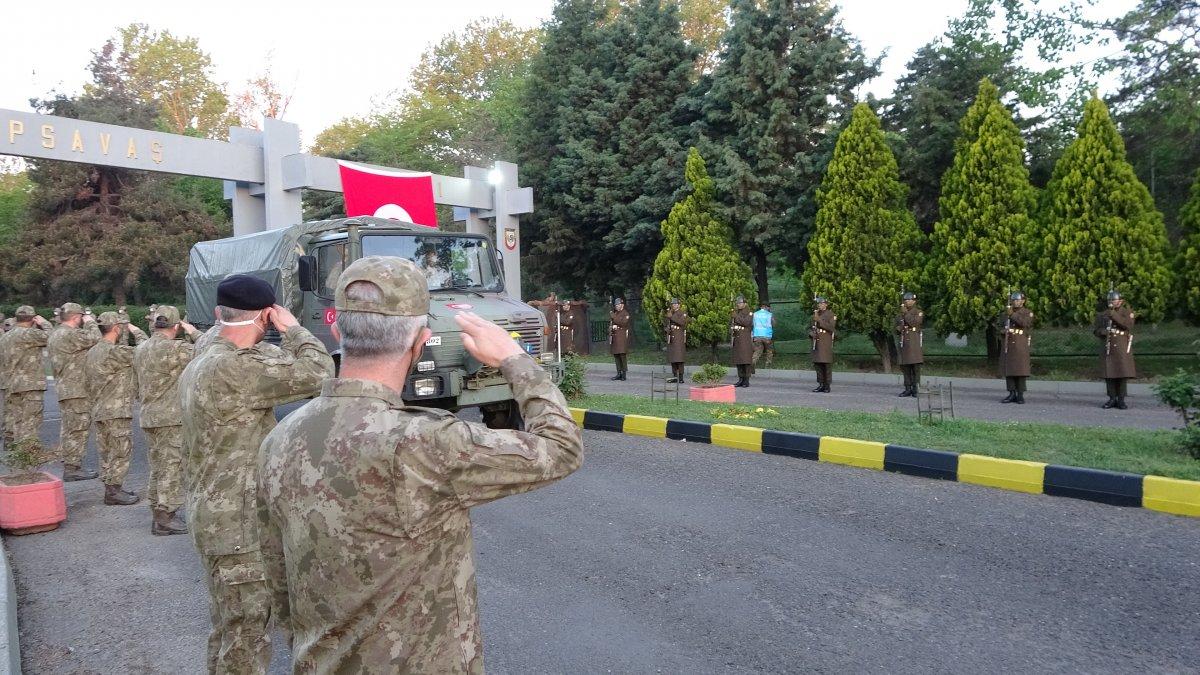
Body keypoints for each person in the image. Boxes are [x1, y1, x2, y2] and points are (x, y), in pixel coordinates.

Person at [258, 256, 583, 673]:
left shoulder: (280, 438)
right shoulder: (425, 441)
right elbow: (561, 448)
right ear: (421, 340)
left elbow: (278, 580)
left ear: (337, 330)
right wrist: (514, 359)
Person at [179, 274, 334, 674]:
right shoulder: (235, 370)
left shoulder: (206, 354)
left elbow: (227, 338)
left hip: (214, 515)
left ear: (217, 314)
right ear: (267, 317)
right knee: (246, 632)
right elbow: (319, 373)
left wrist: (259, 326)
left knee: (229, 626)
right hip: (239, 525)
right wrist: (296, 330)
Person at [134, 305, 199, 536]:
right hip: (170, 418)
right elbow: (209, 350)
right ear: (176, 325)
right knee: (172, 466)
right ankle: (166, 516)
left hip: (148, 415)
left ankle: (157, 511)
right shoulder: (176, 349)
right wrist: (193, 332)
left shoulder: (140, 349)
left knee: (157, 466)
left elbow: (135, 387)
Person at [86, 312, 148, 505]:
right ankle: (114, 490)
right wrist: (136, 331)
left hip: (99, 409)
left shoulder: (92, 351)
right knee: (121, 451)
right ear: (115, 328)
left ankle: (110, 488)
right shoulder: (114, 352)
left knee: (106, 451)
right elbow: (145, 350)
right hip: (116, 410)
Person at [47, 303, 102, 481]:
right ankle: (72, 467)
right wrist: (91, 322)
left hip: (66, 387)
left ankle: (70, 463)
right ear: (75, 317)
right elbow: (95, 338)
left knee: (69, 428)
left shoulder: (56, 333)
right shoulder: (69, 333)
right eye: (80, 316)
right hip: (76, 388)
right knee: (78, 429)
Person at [3, 306, 52, 446]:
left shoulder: (6, 336)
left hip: (12, 384)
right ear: (32, 319)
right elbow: (51, 337)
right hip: (31, 384)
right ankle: (28, 456)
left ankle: (18, 453)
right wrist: (44, 323)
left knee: (17, 421)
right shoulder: (29, 334)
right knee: (31, 423)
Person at [1094, 289, 1136, 409]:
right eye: (1110, 300)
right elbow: (1096, 330)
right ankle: (1112, 398)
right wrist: (1103, 332)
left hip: (1122, 346)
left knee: (1122, 373)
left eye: (1114, 300)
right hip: (1108, 346)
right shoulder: (1103, 314)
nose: (1111, 302)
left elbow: (1127, 325)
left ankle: (1121, 400)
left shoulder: (1126, 312)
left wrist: (1114, 315)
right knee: (1110, 373)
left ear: (1120, 301)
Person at [1000, 291, 1034, 404]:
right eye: (1014, 300)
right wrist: (1003, 331)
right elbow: (999, 325)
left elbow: (1025, 323)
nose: (1015, 302)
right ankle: (1011, 393)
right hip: (1008, 343)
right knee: (1009, 369)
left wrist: (1012, 315)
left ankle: (1020, 394)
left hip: (1020, 344)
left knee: (1020, 370)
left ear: (1023, 301)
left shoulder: (1027, 312)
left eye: (1018, 300)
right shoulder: (1007, 313)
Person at [896, 291, 925, 397]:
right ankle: (907, 388)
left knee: (915, 368)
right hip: (904, 344)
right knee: (905, 368)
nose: (907, 302)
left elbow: (914, 323)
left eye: (909, 300)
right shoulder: (900, 314)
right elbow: (897, 326)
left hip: (914, 344)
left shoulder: (918, 312)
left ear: (914, 301)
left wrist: (905, 313)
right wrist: (898, 328)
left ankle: (916, 389)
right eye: (906, 300)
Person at [809, 296, 836, 393]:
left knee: (826, 363)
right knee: (818, 363)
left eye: (822, 303)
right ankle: (820, 384)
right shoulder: (816, 314)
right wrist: (811, 333)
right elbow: (811, 327)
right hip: (816, 341)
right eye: (819, 303)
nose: (820, 305)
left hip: (825, 341)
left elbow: (831, 328)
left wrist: (819, 320)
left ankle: (827, 385)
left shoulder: (830, 314)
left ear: (826, 304)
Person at [665, 298, 690, 383]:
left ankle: (681, 377)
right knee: (673, 358)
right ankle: (675, 376)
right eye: (673, 304)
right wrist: (667, 328)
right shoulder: (670, 313)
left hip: (679, 337)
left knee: (679, 358)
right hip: (671, 337)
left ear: (679, 305)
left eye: (676, 304)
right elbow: (666, 323)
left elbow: (682, 322)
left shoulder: (683, 313)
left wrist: (671, 317)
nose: (674, 305)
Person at [731, 296, 754, 387]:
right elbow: (732, 323)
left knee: (745, 360)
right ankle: (740, 379)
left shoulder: (750, 313)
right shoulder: (736, 312)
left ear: (745, 303)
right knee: (739, 360)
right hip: (737, 338)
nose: (738, 305)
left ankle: (746, 380)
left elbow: (746, 322)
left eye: (740, 303)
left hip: (745, 339)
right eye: (737, 303)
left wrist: (735, 317)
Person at [609, 297, 631, 381]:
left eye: (618, 304)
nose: (617, 306)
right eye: (616, 305)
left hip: (621, 337)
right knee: (616, 355)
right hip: (615, 337)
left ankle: (624, 373)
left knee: (622, 355)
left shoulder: (625, 313)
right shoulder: (615, 313)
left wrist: (613, 317)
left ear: (622, 305)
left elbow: (623, 323)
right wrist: (611, 328)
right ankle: (618, 373)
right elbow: (611, 323)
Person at [751, 302, 776, 369]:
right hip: (767, 336)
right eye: (769, 307)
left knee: (758, 350)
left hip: (757, 335)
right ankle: (768, 365)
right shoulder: (769, 314)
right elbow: (774, 324)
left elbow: (752, 324)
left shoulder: (755, 314)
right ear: (766, 307)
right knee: (769, 350)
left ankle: (753, 361)